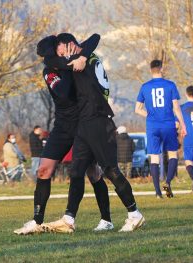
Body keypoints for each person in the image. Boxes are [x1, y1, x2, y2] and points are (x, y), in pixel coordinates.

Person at [41, 33, 144, 233]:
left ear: (69, 46)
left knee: (111, 171)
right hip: (84, 125)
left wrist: (79, 57)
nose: (59, 56)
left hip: (98, 121)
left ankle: (134, 213)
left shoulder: (78, 61)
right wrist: (82, 54)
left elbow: (52, 60)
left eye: (61, 51)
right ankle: (68, 219)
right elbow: (92, 39)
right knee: (77, 171)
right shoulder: (84, 57)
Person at [14, 34, 113, 235]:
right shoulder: (50, 70)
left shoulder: (75, 57)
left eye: (64, 49)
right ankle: (36, 221)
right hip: (63, 126)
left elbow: (94, 38)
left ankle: (106, 220)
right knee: (43, 170)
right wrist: (69, 63)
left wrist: (82, 56)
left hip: (84, 123)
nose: (64, 53)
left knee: (93, 173)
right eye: (59, 51)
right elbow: (64, 92)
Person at [135, 60, 187, 198]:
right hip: (168, 124)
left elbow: (137, 109)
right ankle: (168, 182)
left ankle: (158, 192)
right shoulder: (170, 85)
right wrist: (183, 124)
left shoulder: (145, 86)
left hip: (152, 126)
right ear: (161, 69)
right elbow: (176, 107)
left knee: (154, 158)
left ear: (150, 70)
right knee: (172, 154)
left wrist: (150, 115)